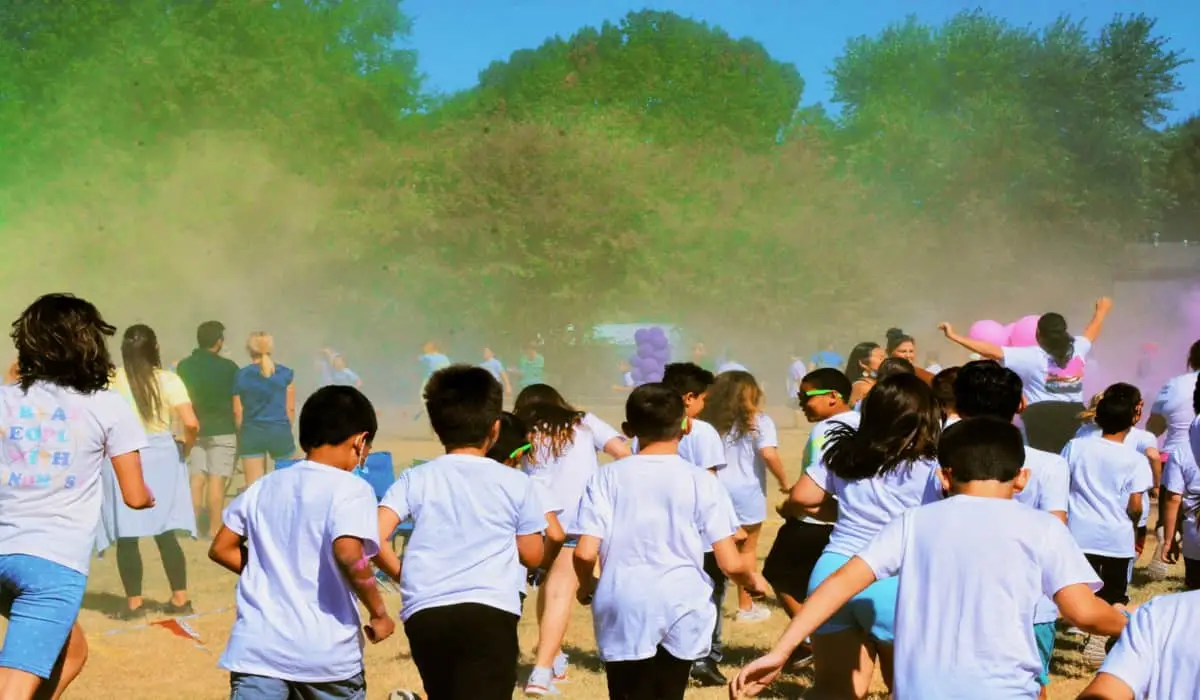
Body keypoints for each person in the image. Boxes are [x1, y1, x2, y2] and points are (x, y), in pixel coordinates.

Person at [730, 417, 1130, 700]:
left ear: (944, 476)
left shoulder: (914, 522)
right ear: (1022, 477)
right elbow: (1082, 612)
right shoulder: (1043, 528)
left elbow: (839, 584)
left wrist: (781, 651)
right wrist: (1127, 624)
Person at [0, 293, 154, 700]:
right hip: (51, 564)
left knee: (73, 651)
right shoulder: (108, 406)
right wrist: (151, 496)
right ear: (89, 342)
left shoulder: (5, 398)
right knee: (13, 687)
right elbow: (135, 497)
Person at [573, 383, 767, 700]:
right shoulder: (703, 481)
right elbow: (730, 561)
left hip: (624, 598)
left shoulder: (606, 477)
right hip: (683, 600)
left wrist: (586, 585)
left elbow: (584, 553)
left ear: (628, 429)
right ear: (685, 426)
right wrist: (751, 581)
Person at [374, 366, 550, 700]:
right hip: (490, 610)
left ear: (435, 426)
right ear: (496, 428)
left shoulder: (417, 478)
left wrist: (403, 575)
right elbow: (532, 554)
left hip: (426, 612)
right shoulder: (516, 482)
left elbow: (372, 537)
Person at [209, 385, 393, 699]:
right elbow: (349, 552)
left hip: (258, 653)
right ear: (360, 442)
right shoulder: (352, 488)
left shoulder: (264, 486)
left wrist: (271, 573)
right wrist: (378, 612)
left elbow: (221, 548)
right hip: (326, 657)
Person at [783, 372, 944, 697]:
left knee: (833, 690)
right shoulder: (931, 465)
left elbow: (802, 497)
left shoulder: (843, 452)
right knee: (909, 690)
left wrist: (838, 511)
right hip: (896, 580)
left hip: (834, 572)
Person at [953, 360, 1070, 686]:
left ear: (958, 406)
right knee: (1029, 687)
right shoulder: (1049, 465)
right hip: (1030, 604)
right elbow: (1056, 531)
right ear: (1021, 405)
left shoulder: (945, 461)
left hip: (957, 603)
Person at [514, 385, 630, 696]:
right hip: (576, 520)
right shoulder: (585, 423)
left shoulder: (523, 431)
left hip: (534, 520)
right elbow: (623, 453)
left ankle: (555, 659)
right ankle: (541, 672)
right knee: (560, 592)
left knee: (550, 587)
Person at [99, 324, 199, 619]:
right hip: (163, 455)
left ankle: (134, 604)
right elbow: (191, 423)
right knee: (166, 532)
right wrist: (186, 448)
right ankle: (181, 598)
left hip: (123, 455)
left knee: (127, 535)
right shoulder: (168, 379)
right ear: (155, 348)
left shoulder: (111, 379)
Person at [766, 368, 857, 672]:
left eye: (807, 397)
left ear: (834, 397)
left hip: (813, 522)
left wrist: (792, 505)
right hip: (848, 520)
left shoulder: (826, 429)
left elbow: (813, 491)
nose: (802, 403)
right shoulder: (861, 423)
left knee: (779, 573)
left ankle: (810, 638)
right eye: (799, 397)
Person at [938, 297, 1113, 452]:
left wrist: (954, 336)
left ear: (1038, 334)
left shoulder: (1031, 356)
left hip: (1040, 416)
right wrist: (1102, 311)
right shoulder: (1078, 348)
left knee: (1039, 459)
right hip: (1074, 415)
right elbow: (1092, 331)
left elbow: (991, 350)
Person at [1060, 383, 1154, 667]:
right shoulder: (1136, 460)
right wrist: (1136, 527)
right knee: (1116, 595)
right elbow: (1136, 505)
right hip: (1116, 538)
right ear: (1133, 418)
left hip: (1078, 535)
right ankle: (1103, 636)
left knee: (1081, 590)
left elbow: (1062, 484)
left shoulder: (1075, 447)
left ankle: (1082, 626)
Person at [659, 362, 735, 687]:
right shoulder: (702, 432)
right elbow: (711, 484)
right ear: (689, 398)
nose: (704, 404)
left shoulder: (653, 429)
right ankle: (704, 656)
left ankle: (671, 652)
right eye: (703, 398)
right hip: (702, 533)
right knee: (710, 594)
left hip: (666, 528)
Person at [699, 370, 787, 625]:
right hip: (747, 492)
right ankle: (746, 606)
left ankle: (706, 602)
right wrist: (784, 481)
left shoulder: (706, 421)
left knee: (709, 547)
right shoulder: (759, 421)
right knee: (747, 548)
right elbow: (769, 454)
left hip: (713, 486)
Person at [1076, 392, 1162, 578]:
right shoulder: (1140, 445)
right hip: (1121, 524)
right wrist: (1156, 485)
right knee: (1116, 591)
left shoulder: (1079, 439)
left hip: (1082, 525)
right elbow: (1153, 456)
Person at [176, 321, 240, 539]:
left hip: (193, 428)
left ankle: (192, 527)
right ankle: (214, 528)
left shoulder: (184, 366)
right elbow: (236, 402)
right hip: (222, 429)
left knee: (197, 478)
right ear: (219, 342)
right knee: (217, 479)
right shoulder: (229, 368)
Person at [1077, 590, 1200, 700]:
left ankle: (1123, 617)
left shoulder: (1161, 612)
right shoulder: (1159, 613)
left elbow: (1082, 612)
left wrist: (1135, 627)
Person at [1146, 339, 1200, 579]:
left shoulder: (1175, 384)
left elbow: (1154, 426)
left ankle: (1166, 539)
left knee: (1172, 509)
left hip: (1175, 454)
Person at [233, 332, 297, 486]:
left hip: (252, 432)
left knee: (254, 487)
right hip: (279, 430)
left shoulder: (241, 375)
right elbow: (290, 409)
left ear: (249, 350)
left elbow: (238, 412)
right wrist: (285, 427)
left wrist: (242, 433)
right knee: (287, 484)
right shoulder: (285, 373)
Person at [843, 341, 885, 407]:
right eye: (880, 358)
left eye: (885, 357)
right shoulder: (862, 387)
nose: (885, 361)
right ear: (863, 363)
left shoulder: (876, 382)